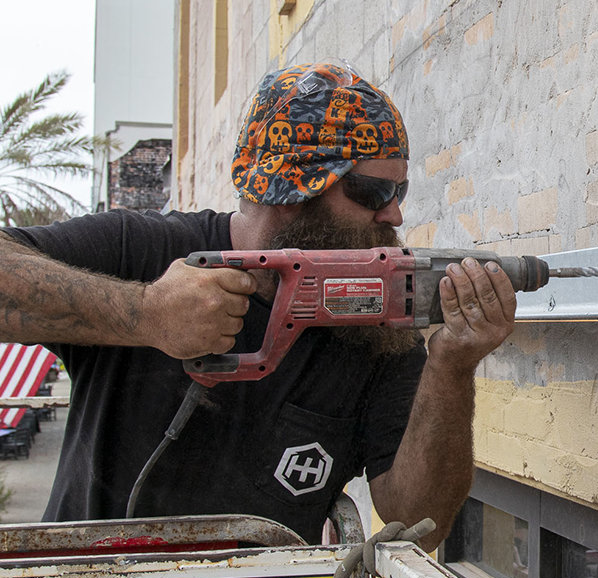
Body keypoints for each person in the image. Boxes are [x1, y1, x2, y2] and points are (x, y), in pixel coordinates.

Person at [0, 62, 515, 551]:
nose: (394, 211)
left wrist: (452, 365)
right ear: (292, 185)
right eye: (373, 189)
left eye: (398, 189)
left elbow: (417, 525)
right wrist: (146, 313)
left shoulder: (376, 328)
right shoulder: (141, 252)